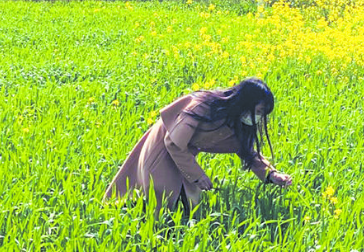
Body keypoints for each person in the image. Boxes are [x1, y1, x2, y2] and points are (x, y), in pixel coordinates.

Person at [104, 77, 292, 214]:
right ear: (245, 104)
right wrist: (198, 175)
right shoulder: (202, 107)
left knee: (190, 203)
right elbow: (172, 143)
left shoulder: (239, 122)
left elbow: (248, 153)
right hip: (164, 145)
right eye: (258, 111)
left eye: (263, 114)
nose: (260, 118)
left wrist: (271, 174)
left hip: (184, 153)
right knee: (160, 194)